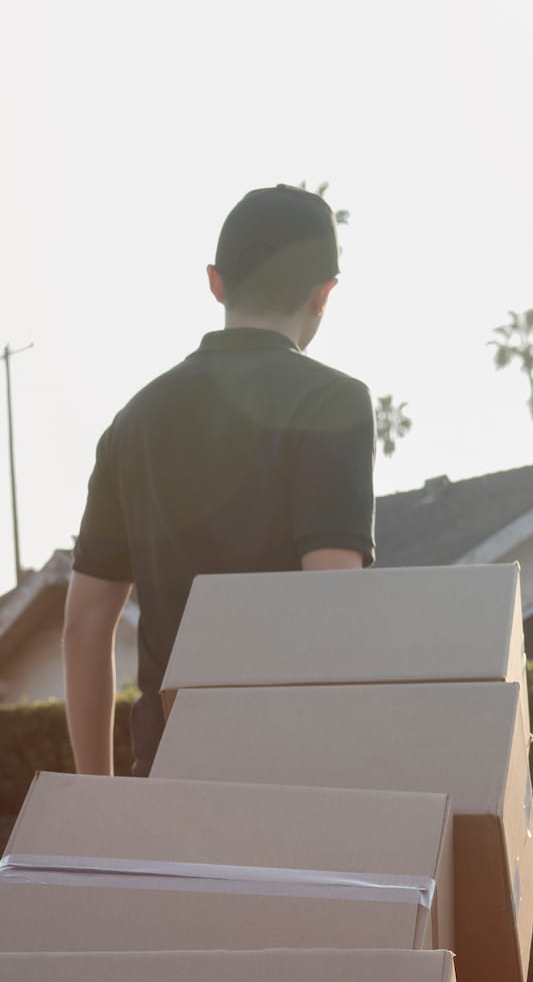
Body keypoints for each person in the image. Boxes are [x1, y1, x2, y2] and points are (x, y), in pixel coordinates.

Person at [64, 183, 377, 776]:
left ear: (216, 282)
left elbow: (83, 630)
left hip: (167, 774)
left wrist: (97, 799)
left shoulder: (134, 422)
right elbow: (334, 604)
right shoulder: (333, 403)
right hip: (292, 776)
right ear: (323, 295)